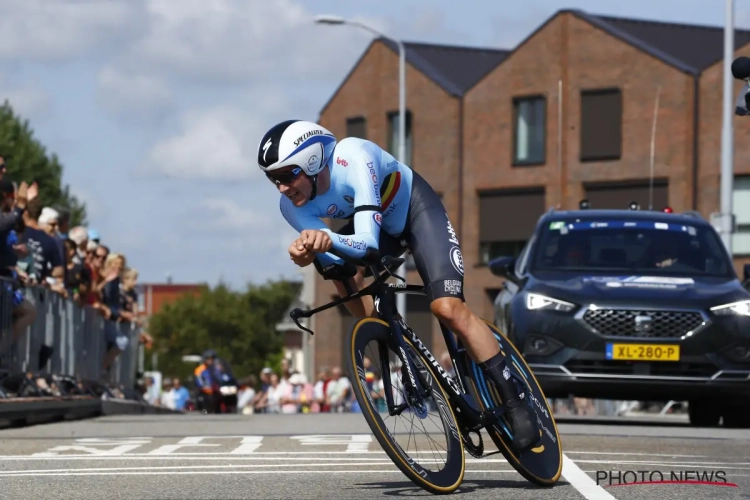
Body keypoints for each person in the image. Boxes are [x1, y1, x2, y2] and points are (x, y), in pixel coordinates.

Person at [257, 120, 539, 452]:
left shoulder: (354, 157)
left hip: (415, 213)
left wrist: (326, 238)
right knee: (333, 267)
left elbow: (368, 246)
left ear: (313, 160)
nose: (282, 187)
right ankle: (390, 338)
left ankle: (516, 399)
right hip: (376, 227)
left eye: (288, 175)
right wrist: (307, 253)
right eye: (273, 178)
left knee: (447, 308)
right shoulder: (289, 206)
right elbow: (337, 257)